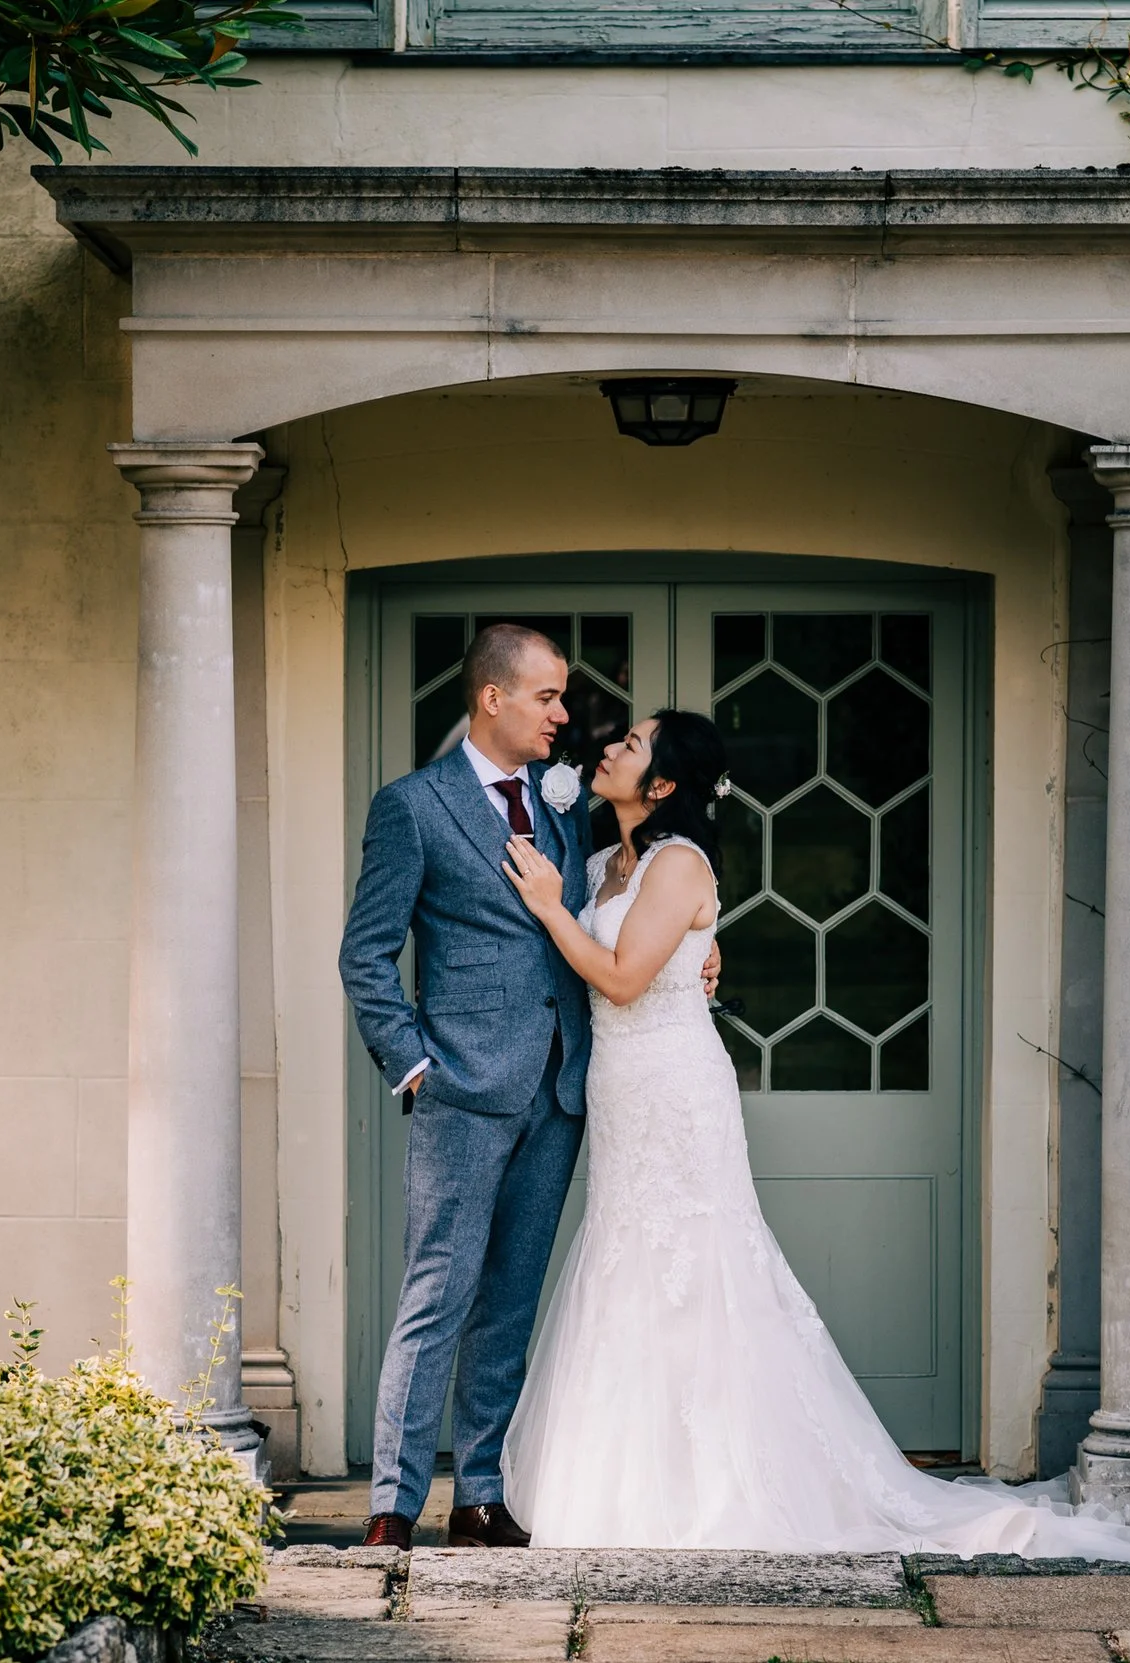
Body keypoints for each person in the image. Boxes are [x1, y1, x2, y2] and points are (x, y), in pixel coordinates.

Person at [494, 708, 1130, 1558]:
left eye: (631, 744)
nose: (609, 748)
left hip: (676, 1088)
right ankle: (633, 1473)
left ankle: (719, 1482)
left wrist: (546, 906)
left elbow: (625, 977)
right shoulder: (605, 861)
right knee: (625, 1254)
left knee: (697, 1263)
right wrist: (677, 949)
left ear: (664, 784)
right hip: (620, 1090)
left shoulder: (678, 862)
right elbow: (657, 960)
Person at [337, 625, 714, 1551]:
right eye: (548, 698)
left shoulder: (563, 806)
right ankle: (393, 1504)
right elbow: (367, 953)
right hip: (461, 1087)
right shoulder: (413, 807)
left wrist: (704, 951)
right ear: (493, 698)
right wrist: (414, 1064)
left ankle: (479, 1493)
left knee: (511, 1297)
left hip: (563, 1088)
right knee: (439, 1293)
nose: (565, 716)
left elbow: (628, 894)